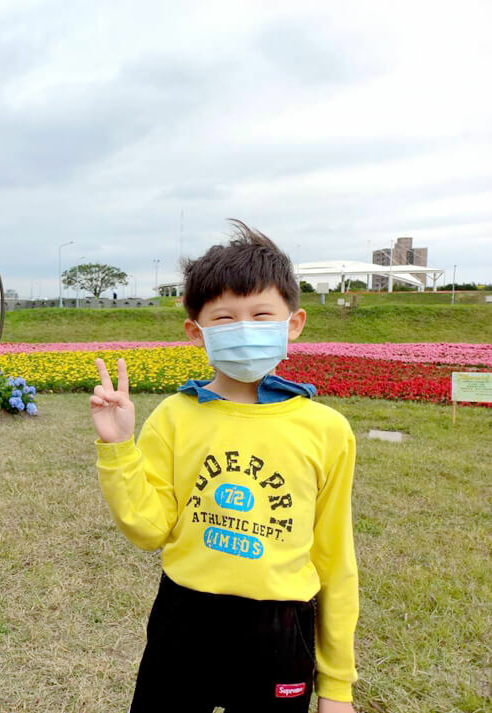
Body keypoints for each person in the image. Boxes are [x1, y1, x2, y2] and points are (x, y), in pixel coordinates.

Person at [91, 220, 358, 712]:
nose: (245, 330)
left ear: (293, 323)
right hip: (185, 615)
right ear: (196, 331)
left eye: (261, 314)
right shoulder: (175, 416)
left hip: (281, 627)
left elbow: (335, 559)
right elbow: (150, 529)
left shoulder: (327, 430)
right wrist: (119, 447)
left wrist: (337, 686)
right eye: (225, 319)